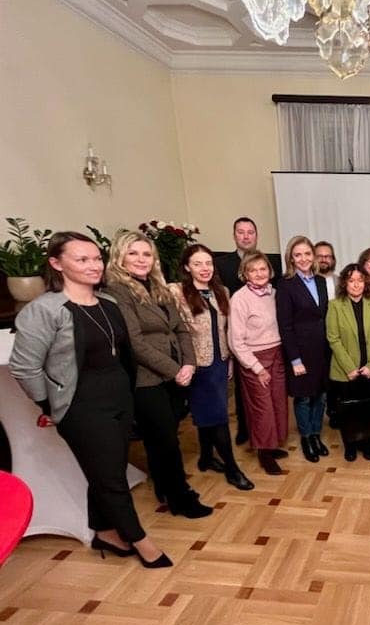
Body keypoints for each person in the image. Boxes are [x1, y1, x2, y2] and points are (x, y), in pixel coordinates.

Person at [10, 231, 172, 568]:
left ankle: (104, 531)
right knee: (112, 479)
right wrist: (49, 405)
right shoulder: (43, 311)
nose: (94, 265)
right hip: (81, 406)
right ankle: (141, 541)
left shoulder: (108, 303)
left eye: (97, 258)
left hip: (119, 398)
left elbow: (122, 353)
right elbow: (25, 367)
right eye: (82, 259)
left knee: (108, 469)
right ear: (57, 263)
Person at [105, 230, 213, 520]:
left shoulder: (159, 288)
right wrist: (176, 370)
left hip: (177, 374)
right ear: (120, 257)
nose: (142, 259)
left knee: (161, 437)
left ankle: (163, 487)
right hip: (146, 379)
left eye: (147, 254)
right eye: (133, 253)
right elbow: (135, 342)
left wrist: (189, 364)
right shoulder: (118, 291)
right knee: (165, 439)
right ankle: (181, 498)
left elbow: (181, 329)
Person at [169, 244, 253, 490]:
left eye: (208, 263)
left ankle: (206, 458)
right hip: (197, 365)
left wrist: (230, 359)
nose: (204, 268)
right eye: (197, 263)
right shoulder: (176, 292)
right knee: (217, 417)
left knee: (209, 413)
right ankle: (232, 468)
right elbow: (174, 330)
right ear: (187, 267)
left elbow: (226, 330)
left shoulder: (222, 291)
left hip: (220, 362)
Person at [228, 251, 289, 476]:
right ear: (245, 274)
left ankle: (272, 446)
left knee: (278, 403)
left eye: (263, 269)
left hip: (277, 354)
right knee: (262, 409)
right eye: (252, 270)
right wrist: (257, 368)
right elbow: (235, 341)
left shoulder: (275, 293)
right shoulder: (239, 299)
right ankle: (264, 453)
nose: (259, 273)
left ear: (270, 271)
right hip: (255, 359)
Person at [326, 263, 370, 461]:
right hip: (346, 371)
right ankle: (351, 444)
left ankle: (367, 443)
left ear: (366, 283)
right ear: (344, 283)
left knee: (368, 409)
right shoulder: (335, 306)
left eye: (360, 280)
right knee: (349, 411)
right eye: (351, 280)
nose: (356, 284)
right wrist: (349, 368)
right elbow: (333, 339)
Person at [276, 235, 330, 463]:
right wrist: (295, 359)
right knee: (304, 398)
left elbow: (323, 316)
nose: (303, 258)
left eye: (307, 253)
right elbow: (285, 326)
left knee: (321, 395)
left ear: (313, 256)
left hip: (322, 350)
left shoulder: (320, 281)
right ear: (291, 258)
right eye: (297, 255)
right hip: (300, 352)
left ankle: (316, 434)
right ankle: (306, 437)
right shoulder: (285, 284)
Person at [215, 216, 258, 446]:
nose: (246, 236)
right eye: (241, 232)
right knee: (242, 386)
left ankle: (263, 428)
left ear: (256, 235)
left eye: (250, 232)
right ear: (234, 236)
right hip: (236, 332)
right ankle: (244, 428)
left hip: (261, 334)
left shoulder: (265, 262)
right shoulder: (222, 264)